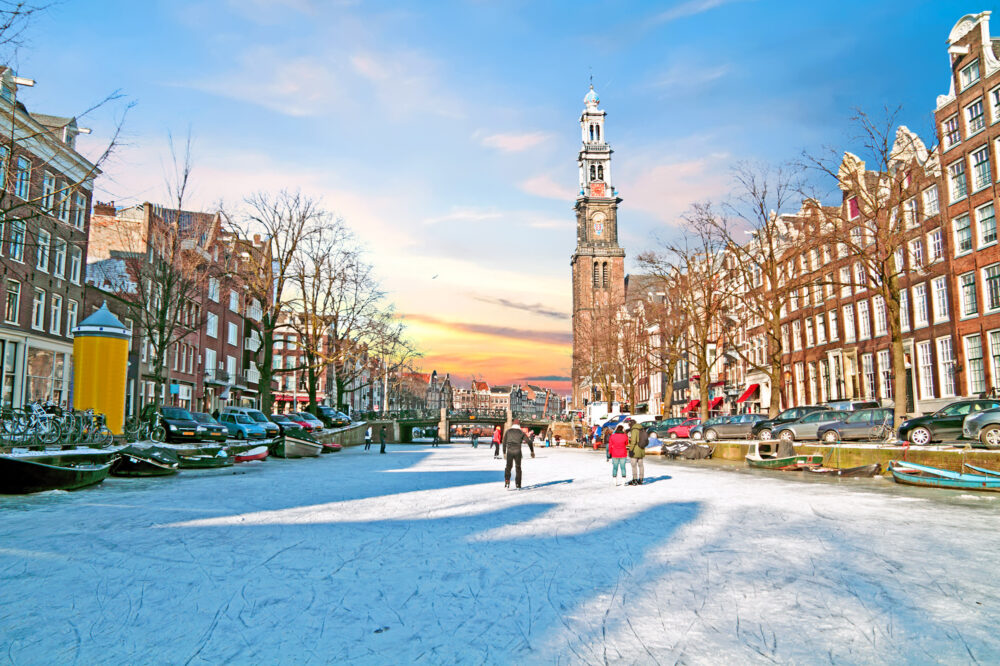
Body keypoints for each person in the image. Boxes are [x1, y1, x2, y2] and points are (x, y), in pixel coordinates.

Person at [502, 420, 534, 489]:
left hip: (509, 451)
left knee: (508, 467)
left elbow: (504, 442)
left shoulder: (508, 431)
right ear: (519, 425)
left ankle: (507, 480)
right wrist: (532, 451)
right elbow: (529, 442)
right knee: (518, 468)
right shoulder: (521, 432)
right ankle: (518, 484)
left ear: (513, 424)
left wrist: (504, 452)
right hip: (518, 451)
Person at [627, 419, 648, 486]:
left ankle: (635, 479)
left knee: (634, 465)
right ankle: (641, 479)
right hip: (642, 449)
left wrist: (630, 450)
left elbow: (633, 441)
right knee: (641, 465)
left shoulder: (634, 430)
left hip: (635, 450)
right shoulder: (641, 428)